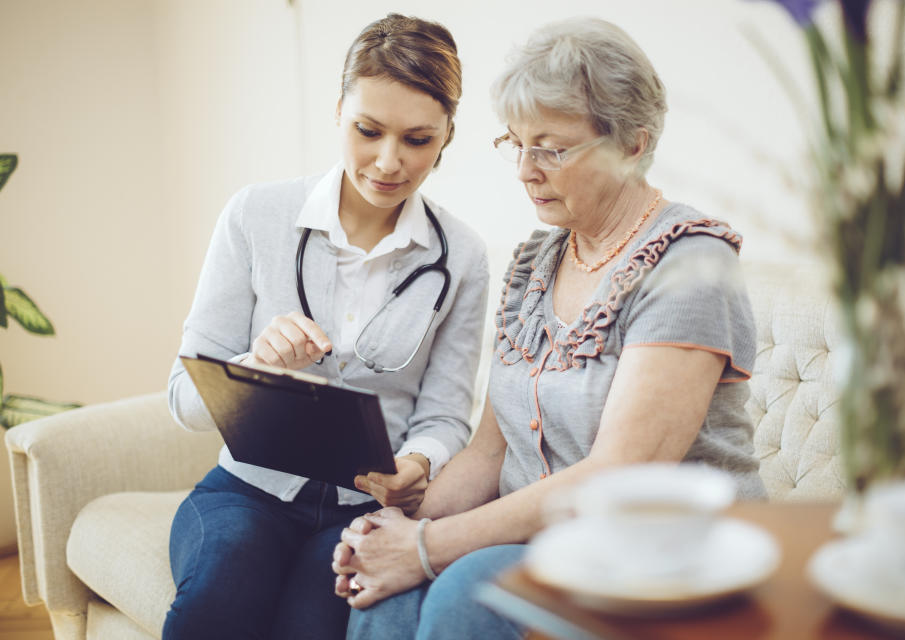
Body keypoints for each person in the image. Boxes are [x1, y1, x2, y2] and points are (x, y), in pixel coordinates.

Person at [332, 16, 764, 640]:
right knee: (381, 601)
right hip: (537, 534)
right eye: (517, 143)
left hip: (658, 546)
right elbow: (490, 449)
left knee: (461, 596)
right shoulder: (537, 261)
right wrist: (393, 531)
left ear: (633, 144)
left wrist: (428, 545)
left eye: (552, 149)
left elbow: (619, 474)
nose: (526, 170)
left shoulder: (689, 265)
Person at [163, 14, 488, 640]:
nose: (389, 162)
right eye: (368, 130)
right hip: (245, 492)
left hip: (364, 509)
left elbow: (446, 414)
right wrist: (257, 365)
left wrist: (418, 464)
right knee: (218, 600)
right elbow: (183, 399)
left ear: (447, 134)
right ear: (338, 110)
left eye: (418, 140)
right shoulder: (256, 216)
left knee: (311, 626)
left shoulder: (463, 256)